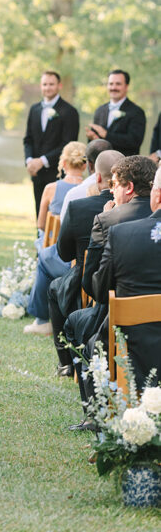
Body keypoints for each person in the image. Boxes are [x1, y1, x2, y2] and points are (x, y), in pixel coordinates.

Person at [48, 149, 122, 375]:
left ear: (97, 176)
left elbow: (63, 253)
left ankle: (66, 363)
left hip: (85, 281)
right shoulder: (135, 210)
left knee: (54, 288)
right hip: (122, 280)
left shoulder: (78, 207)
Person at [90, 164, 161, 388]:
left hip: (135, 347)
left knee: (95, 345)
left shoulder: (121, 234)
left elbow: (100, 291)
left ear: (157, 194)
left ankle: (97, 418)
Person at [23, 141, 87, 336]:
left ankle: (42, 319)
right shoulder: (91, 189)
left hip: (58, 256)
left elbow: (41, 224)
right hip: (82, 255)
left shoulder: (51, 188)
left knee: (42, 247)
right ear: (85, 165)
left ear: (63, 163)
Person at [23, 71, 79, 219]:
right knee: (39, 212)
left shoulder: (69, 112)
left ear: (59, 86)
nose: (47, 88)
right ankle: (40, 241)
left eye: (51, 84)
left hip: (57, 172)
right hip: (36, 172)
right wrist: (30, 161)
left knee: (56, 214)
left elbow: (68, 144)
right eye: (44, 84)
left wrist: (42, 161)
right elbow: (28, 139)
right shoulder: (34, 110)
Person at [86, 68, 146, 157]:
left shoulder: (136, 112)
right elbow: (93, 143)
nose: (113, 88)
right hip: (100, 165)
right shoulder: (100, 110)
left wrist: (107, 135)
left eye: (118, 84)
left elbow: (134, 141)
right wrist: (93, 138)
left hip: (125, 165)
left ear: (126, 86)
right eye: (110, 84)